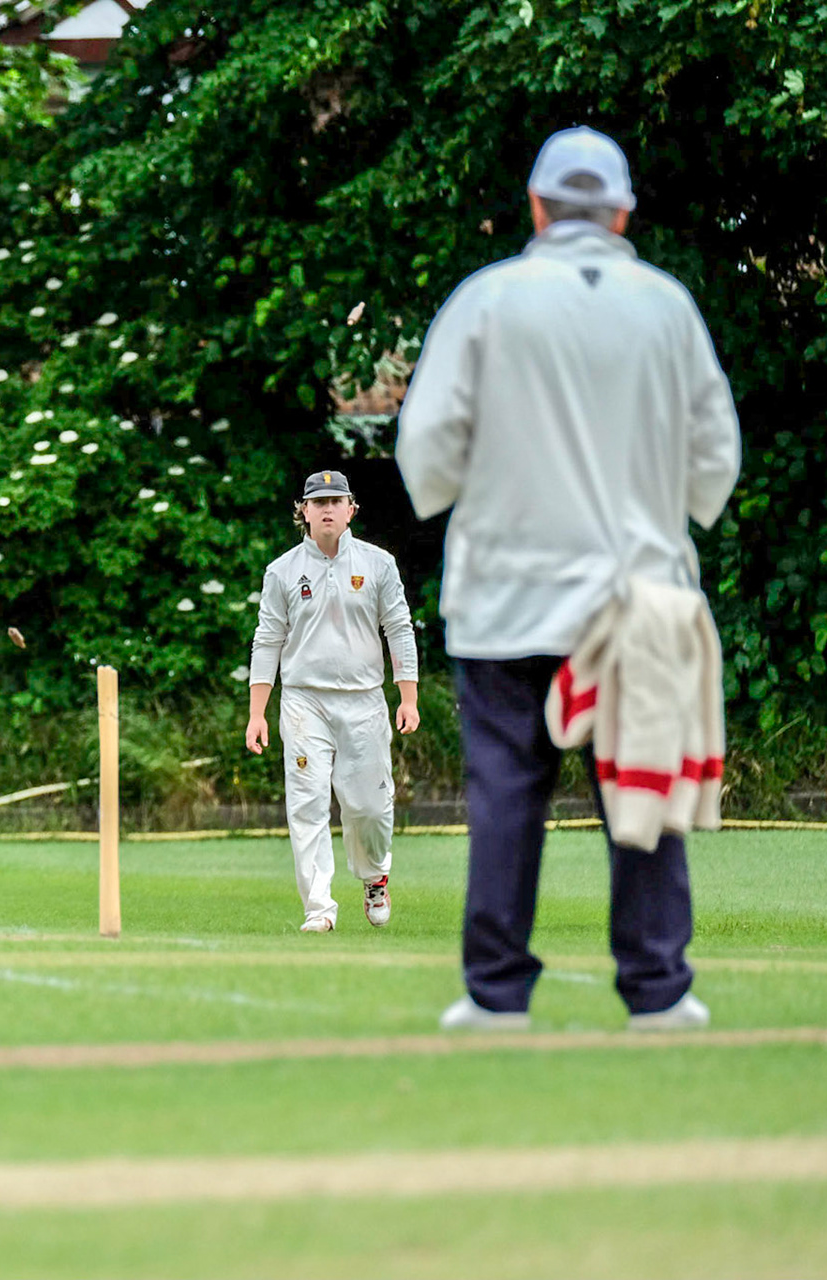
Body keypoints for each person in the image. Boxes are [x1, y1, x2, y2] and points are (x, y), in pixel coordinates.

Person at [396, 126, 740, 1030]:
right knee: (641, 784)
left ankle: (496, 994)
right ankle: (659, 990)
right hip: (640, 595)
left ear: (537, 208)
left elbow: (427, 451)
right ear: (622, 213)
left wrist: (476, 494)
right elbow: (716, 458)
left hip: (509, 595)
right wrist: (667, 512)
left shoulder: (487, 299)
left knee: (507, 795)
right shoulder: (667, 307)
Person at [246, 469, 420, 932]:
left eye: (335, 501)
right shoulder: (282, 571)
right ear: (303, 511)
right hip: (304, 702)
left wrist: (408, 697)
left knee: (369, 807)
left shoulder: (378, 564)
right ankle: (319, 907)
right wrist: (257, 713)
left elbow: (399, 628)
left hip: (364, 700)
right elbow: (268, 639)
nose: (327, 509)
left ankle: (374, 876)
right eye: (318, 502)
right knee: (307, 805)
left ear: (350, 510)